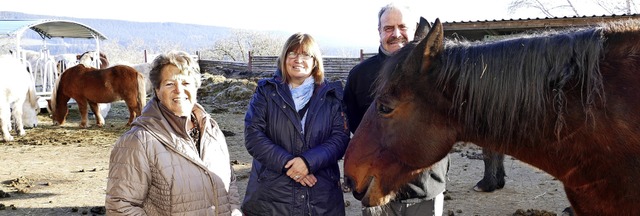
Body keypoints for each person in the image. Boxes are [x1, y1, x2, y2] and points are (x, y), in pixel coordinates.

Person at [343, 3, 450, 216]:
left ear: (413, 30)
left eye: (402, 27)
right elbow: (355, 125)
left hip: (426, 187)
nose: (396, 34)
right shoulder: (359, 75)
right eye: (388, 28)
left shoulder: (437, 72)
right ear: (379, 32)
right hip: (376, 187)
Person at [105, 51, 242, 216]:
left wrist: (234, 211)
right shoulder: (138, 142)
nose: (179, 90)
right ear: (157, 90)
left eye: (186, 83)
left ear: (196, 86)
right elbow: (120, 208)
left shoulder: (212, 130)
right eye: (170, 84)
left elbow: (230, 181)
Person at [241, 33, 350, 215]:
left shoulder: (332, 96)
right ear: (284, 59)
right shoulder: (266, 92)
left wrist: (308, 162)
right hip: (271, 197)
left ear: (315, 61)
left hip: (320, 196)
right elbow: (253, 135)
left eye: (305, 55)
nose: (298, 59)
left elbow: (340, 138)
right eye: (292, 54)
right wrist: (289, 164)